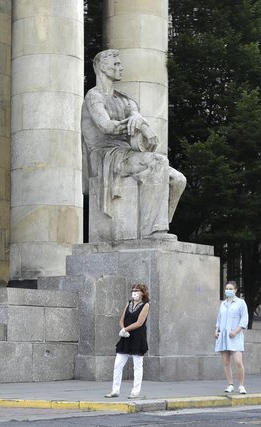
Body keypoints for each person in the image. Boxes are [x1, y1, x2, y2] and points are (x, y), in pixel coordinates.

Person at [81, 49, 186, 239]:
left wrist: (142, 125)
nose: (121, 68)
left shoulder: (124, 99)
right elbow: (106, 126)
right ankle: (153, 231)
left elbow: (135, 113)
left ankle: (157, 221)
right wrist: (133, 124)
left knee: (178, 180)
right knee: (157, 162)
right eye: (116, 64)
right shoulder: (94, 96)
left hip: (126, 153)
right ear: (103, 67)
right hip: (106, 155)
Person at [106, 283, 150, 398]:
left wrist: (126, 329)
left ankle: (135, 391)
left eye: (137, 290)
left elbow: (140, 322)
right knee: (118, 365)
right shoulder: (129, 303)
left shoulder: (145, 305)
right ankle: (115, 390)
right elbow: (122, 319)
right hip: (126, 337)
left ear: (143, 293)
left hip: (137, 337)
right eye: (133, 290)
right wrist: (122, 329)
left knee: (137, 366)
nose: (134, 292)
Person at [215, 281, 249, 394]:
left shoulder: (240, 303)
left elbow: (244, 319)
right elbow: (219, 319)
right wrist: (216, 330)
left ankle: (241, 385)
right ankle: (230, 384)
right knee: (226, 362)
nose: (228, 291)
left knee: (238, 361)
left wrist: (236, 331)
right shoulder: (223, 304)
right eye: (226, 289)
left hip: (235, 336)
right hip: (224, 336)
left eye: (230, 289)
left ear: (235, 290)